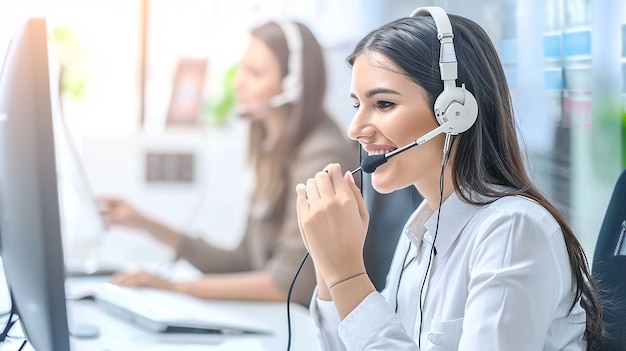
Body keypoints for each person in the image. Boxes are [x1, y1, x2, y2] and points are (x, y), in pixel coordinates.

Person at [295, 7, 603, 350]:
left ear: (454, 111)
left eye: (383, 104)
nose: (355, 130)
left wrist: (347, 273)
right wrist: (328, 264)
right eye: (357, 106)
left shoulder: (512, 230)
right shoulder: (422, 232)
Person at [98, 20, 356, 306]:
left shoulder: (321, 157)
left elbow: (288, 284)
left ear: (293, 83)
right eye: (242, 69)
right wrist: (145, 224)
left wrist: (175, 288)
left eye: (255, 73)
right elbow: (244, 260)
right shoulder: (271, 147)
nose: (238, 83)